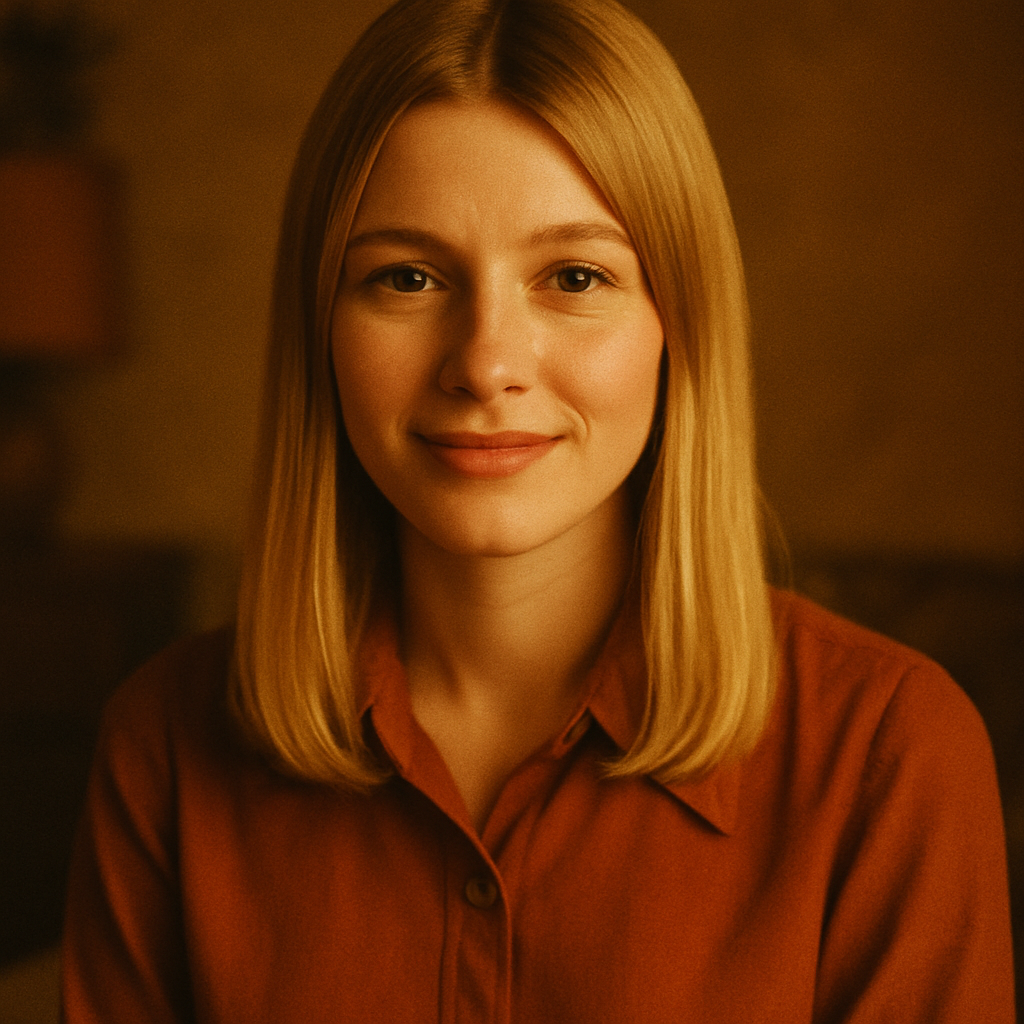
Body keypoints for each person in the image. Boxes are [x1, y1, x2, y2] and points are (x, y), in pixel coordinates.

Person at [61, 0, 1014, 1020]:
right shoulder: (163, 746)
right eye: (408, 277)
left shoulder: (886, 754)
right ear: (320, 328)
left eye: (574, 276)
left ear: (679, 324)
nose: (486, 363)